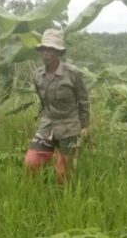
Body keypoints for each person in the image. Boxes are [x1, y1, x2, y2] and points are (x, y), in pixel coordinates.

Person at [24, 29, 90, 184]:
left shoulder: (73, 74)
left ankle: (62, 201)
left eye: (51, 49)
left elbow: (83, 100)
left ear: (58, 52)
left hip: (69, 126)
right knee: (31, 161)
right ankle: (35, 194)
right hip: (47, 125)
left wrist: (85, 126)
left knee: (64, 173)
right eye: (44, 49)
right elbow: (42, 100)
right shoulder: (37, 75)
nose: (46, 53)